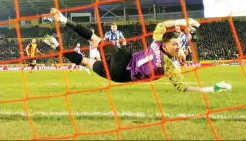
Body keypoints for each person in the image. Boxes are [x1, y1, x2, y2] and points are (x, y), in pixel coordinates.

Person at [44, 8, 232, 93]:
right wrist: (183, 21)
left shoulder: (171, 66)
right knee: (86, 57)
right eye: (175, 44)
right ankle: (58, 42)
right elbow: (162, 24)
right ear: (166, 44)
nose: (178, 47)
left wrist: (211, 89)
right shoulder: (158, 42)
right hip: (124, 64)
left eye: (180, 46)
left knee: (94, 43)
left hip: (122, 72)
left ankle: (63, 22)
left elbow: (184, 88)